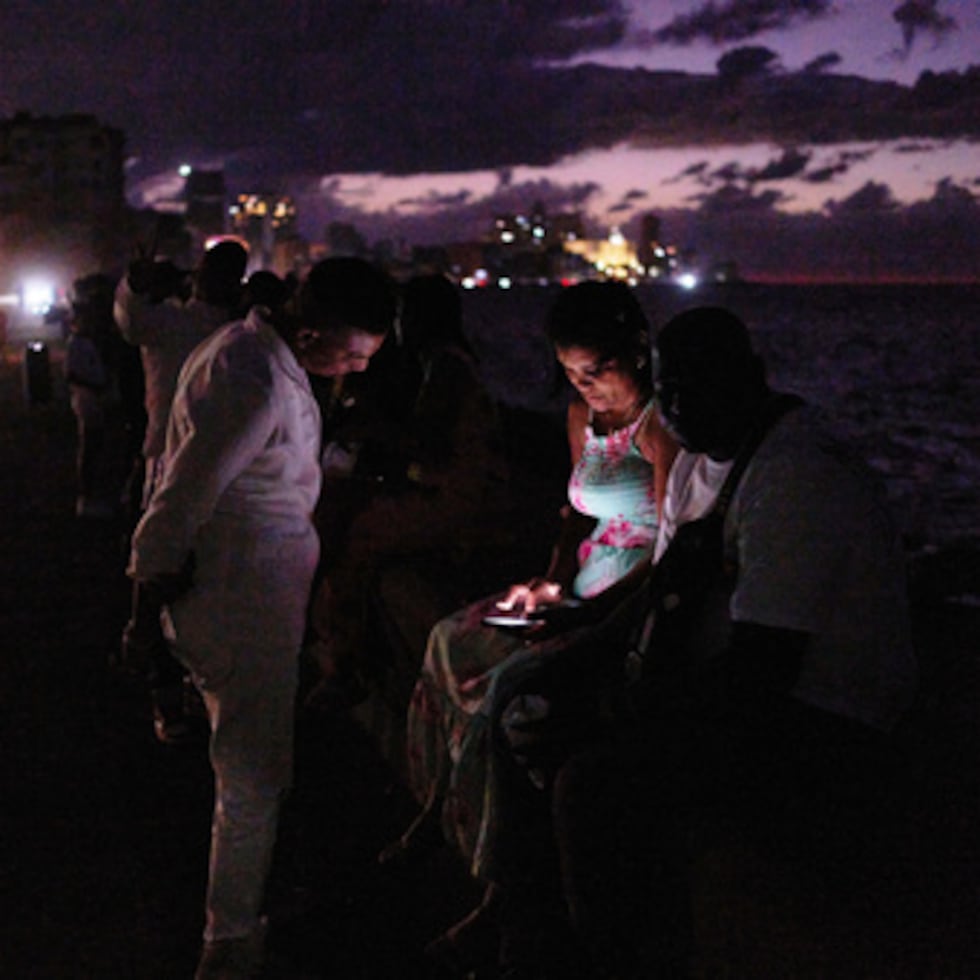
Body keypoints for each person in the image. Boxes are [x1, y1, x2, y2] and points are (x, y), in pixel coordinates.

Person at [487, 305, 919, 979]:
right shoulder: (698, 460)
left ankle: (600, 958)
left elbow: (762, 668)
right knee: (528, 701)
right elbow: (659, 588)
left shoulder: (795, 477)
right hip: (735, 689)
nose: (683, 408)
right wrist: (581, 642)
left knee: (590, 781)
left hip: (821, 721)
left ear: (752, 376)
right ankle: (527, 934)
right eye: (671, 392)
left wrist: (624, 710)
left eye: (701, 387)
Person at [382, 280, 677, 973]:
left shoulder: (660, 425)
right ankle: (437, 807)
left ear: (637, 351)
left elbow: (670, 547)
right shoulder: (582, 417)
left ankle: (499, 896)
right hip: (581, 581)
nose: (586, 385)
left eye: (597, 369)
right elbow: (576, 517)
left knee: (508, 695)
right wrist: (548, 581)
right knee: (449, 638)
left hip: (623, 602)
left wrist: (591, 611)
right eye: (572, 372)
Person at [122, 256, 398, 980]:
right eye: (352, 356)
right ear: (310, 334)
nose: (358, 370)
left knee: (252, 770)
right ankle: (230, 945)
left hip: (252, 603)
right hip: (238, 608)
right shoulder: (250, 380)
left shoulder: (253, 356)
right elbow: (179, 498)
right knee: (251, 780)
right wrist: (142, 611)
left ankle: (241, 921)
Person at [306, 272, 512, 707]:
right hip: (454, 491)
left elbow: (429, 445)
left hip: (452, 500)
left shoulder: (446, 367)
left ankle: (344, 662)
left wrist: (371, 428)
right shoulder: (447, 362)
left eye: (403, 314)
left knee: (354, 537)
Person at [115, 239, 248, 743]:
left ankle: (182, 689)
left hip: (209, 471)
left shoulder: (230, 329)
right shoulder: (178, 322)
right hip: (174, 467)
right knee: (166, 576)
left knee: (190, 583)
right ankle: (169, 690)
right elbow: (132, 321)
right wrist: (136, 283)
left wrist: (136, 286)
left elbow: (132, 320)